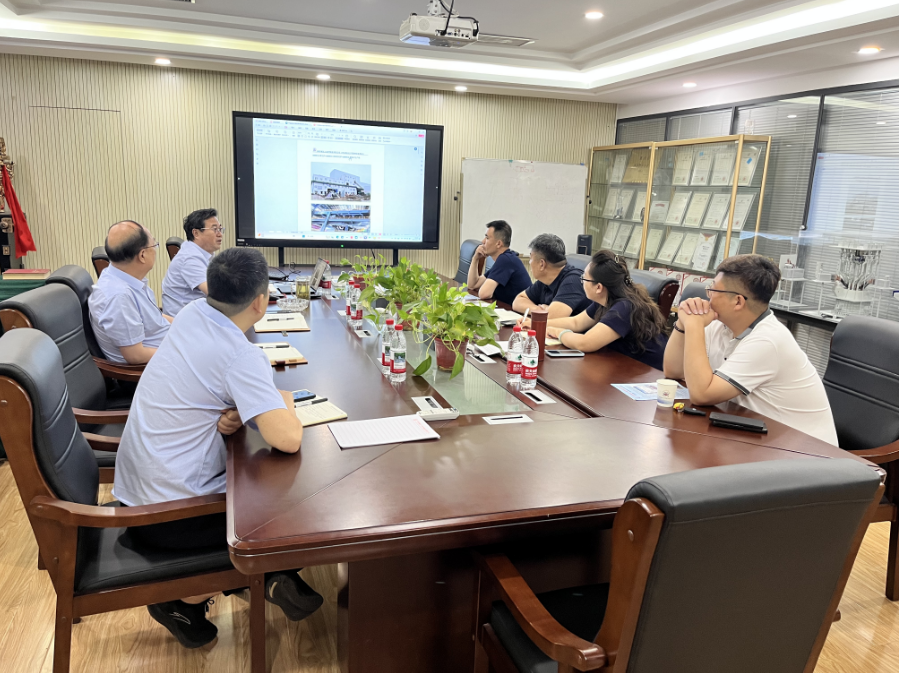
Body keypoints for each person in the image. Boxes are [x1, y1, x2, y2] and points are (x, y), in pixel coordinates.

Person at [113, 246, 321, 648]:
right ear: (260, 302)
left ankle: (274, 578)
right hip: (173, 518)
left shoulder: (193, 313)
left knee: (263, 480)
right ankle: (190, 596)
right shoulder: (240, 355)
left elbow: (205, 381)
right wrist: (285, 401)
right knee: (300, 508)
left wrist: (240, 407)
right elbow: (288, 438)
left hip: (137, 496)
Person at [663, 254, 838, 445]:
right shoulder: (720, 324)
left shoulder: (768, 341)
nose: (708, 295)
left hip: (805, 452)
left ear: (738, 301)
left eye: (713, 289)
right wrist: (683, 323)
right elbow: (673, 371)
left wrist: (694, 325)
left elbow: (701, 395)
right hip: (755, 435)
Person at [533, 250, 668, 368]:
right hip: (623, 365)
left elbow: (585, 343)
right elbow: (576, 322)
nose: (582, 282)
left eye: (584, 279)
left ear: (598, 287)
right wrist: (535, 323)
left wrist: (557, 332)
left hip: (647, 374)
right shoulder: (606, 299)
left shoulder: (624, 307)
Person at [88, 220, 172, 364]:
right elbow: (136, 356)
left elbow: (155, 318)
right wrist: (182, 353)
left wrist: (186, 323)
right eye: (154, 245)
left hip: (168, 346)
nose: (156, 250)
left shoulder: (125, 277)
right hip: (156, 367)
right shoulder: (119, 297)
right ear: (142, 255)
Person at [512, 233, 592, 320]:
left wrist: (547, 312)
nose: (530, 262)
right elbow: (517, 302)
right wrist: (539, 310)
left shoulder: (573, 281)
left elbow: (551, 318)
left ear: (542, 264)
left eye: (531, 258)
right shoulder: (545, 280)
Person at [162, 208, 224, 316]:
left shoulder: (202, 253)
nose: (220, 234)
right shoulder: (189, 258)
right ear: (196, 233)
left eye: (220, 229)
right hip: (184, 321)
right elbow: (217, 294)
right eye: (215, 229)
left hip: (197, 315)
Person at [466, 220, 531, 305]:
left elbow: (484, 294)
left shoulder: (506, 260)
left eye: (487, 238)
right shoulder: (505, 258)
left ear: (499, 244)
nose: (483, 241)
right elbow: (473, 285)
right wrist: (475, 259)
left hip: (521, 312)